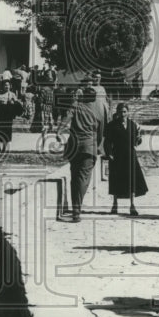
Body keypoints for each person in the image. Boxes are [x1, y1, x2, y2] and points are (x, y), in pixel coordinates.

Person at [63, 82, 107, 222]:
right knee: (83, 178)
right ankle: (77, 210)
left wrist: (58, 131)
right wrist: (98, 147)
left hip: (74, 147)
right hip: (89, 148)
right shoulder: (99, 113)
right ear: (93, 98)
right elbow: (101, 134)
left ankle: (75, 207)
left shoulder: (76, 106)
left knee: (74, 177)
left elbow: (66, 120)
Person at [104, 102, 147, 216]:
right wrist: (109, 153)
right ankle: (115, 205)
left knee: (132, 181)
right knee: (116, 181)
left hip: (130, 156)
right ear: (117, 112)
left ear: (128, 112)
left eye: (124, 111)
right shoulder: (111, 125)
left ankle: (132, 206)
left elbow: (136, 141)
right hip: (117, 156)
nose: (122, 114)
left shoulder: (133, 125)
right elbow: (107, 141)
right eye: (120, 112)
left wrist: (139, 138)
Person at [0, 80, 24, 152]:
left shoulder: (12, 94)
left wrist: (13, 102)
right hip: (0, 115)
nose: (6, 86)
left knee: (7, 131)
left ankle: (5, 148)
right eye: (5, 85)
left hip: (8, 115)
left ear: (10, 86)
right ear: (2, 86)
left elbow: (17, 105)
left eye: (8, 85)